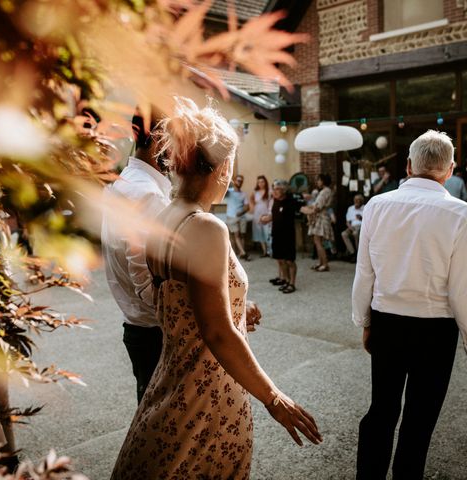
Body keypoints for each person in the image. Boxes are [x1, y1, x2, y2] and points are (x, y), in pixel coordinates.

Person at [111, 98, 321, 479]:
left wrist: (238, 310)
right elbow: (217, 332)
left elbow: (184, 305)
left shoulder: (163, 218)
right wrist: (274, 398)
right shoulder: (206, 227)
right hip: (209, 389)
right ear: (224, 167)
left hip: (171, 378)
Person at [352, 130, 467, 480]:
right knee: (419, 419)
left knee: (382, 411)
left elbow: (364, 274)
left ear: (407, 166)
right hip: (435, 331)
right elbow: (462, 291)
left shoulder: (376, 205)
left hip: (388, 322)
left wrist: (366, 322)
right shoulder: (463, 214)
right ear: (449, 170)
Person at [101, 110, 172, 404]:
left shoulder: (124, 184)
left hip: (139, 330)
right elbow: (147, 285)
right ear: (159, 140)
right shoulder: (148, 196)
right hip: (155, 335)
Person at [262, 179, 297, 294]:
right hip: (276, 235)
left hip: (288, 237)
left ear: (284, 190)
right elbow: (274, 216)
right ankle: (286, 280)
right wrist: (265, 219)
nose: (275, 191)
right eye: (274, 189)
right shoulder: (275, 202)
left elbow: (301, 209)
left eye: (277, 189)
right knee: (281, 260)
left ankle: (292, 283)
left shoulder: (291, 202)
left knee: (290, 261)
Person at [301, 173, 334, 272]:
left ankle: (325, 264)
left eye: (319, 180)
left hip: (321, 218)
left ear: (323, 181)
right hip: (320, 217)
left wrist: (306, 208)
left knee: (318, 241)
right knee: (317, 241)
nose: (317, 182)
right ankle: (321, 262)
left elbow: (317, 206)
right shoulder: (325, 191)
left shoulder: (325, 191)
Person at [225, 174, 250, 260]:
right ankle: (243, 253)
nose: (240, 182)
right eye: (238, 180)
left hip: (242, 217)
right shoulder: (229, 191)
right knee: (236, 235)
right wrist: (229, 180)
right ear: (235, 181)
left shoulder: (244, 194)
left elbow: (247, 207)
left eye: (241, 181)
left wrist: (242, 212)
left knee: (242, 235)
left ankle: (241, 253)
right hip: (231, 217)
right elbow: (223, 187)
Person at [250, 175, 272, 257]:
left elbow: (271, 203)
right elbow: (251, 199)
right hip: (257, 215)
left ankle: (271, 251)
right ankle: (265, 251)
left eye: (262, 181)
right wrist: (252, 208)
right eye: (259, 182)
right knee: (260, 233)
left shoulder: (269, 191)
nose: (260, 183)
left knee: (267, 233)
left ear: (265, 182)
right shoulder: (255, 192)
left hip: (266, 214)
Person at [341, 194, 364, 260]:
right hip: (352, 227)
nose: (356, 201)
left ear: (361, 201)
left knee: (355, 234)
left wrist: (361, 218)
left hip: (361, 227)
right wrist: (351, 228)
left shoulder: (365, 208)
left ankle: (358, 254)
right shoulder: (350, 208)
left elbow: (367, 221)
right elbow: (347, 222)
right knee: (344, 234)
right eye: (355, 200)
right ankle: (352, 253)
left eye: (358, 200)